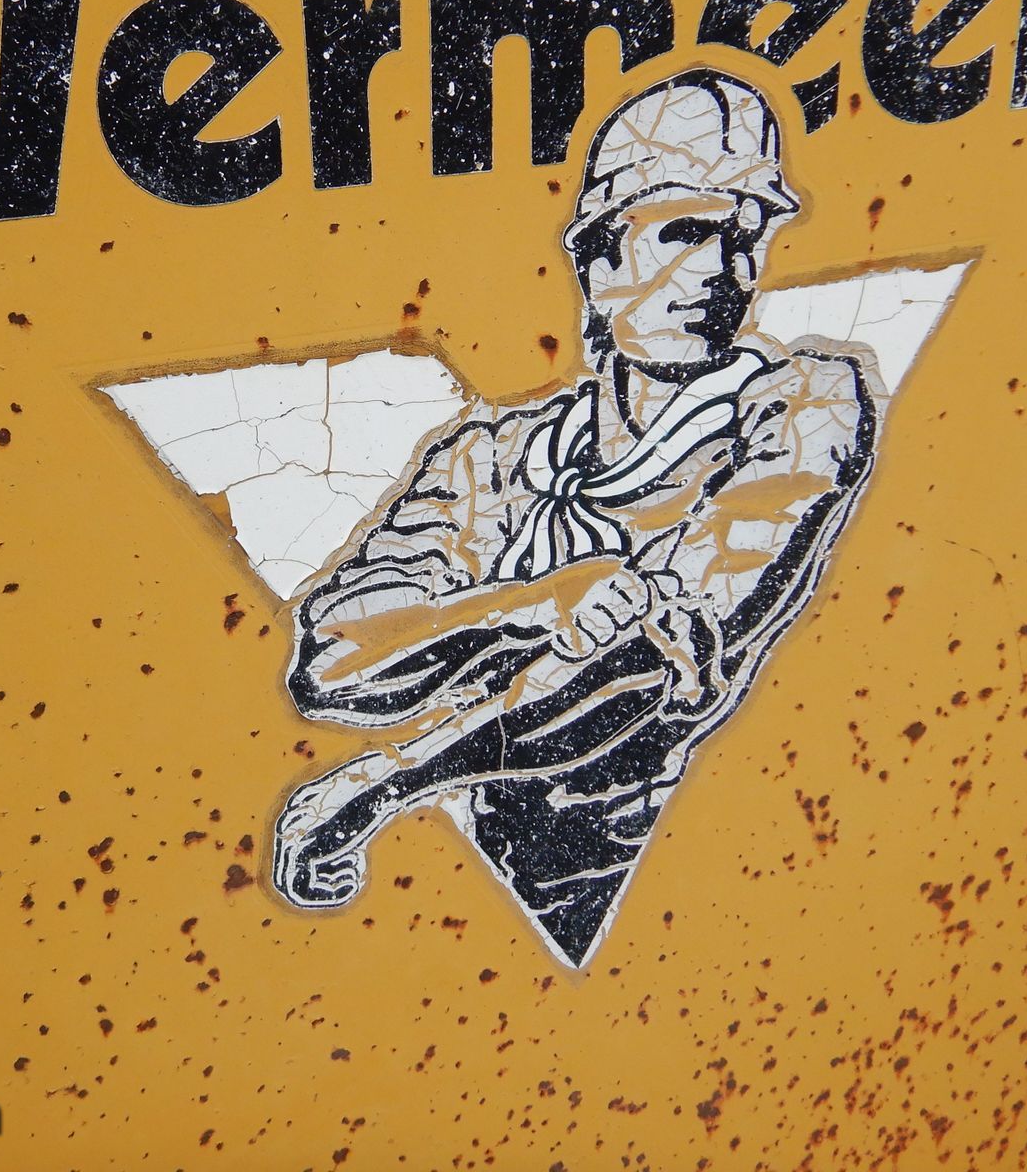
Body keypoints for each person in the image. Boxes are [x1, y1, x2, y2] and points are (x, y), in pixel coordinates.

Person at [272, 67, 878, 966]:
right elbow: (332, 658)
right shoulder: (491, 458)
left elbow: (655, 657)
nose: (722, 272)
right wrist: (535, 604)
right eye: (684, 231)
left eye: (746, 235)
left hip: (670, 913)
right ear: (598, 262)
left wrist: (385, 781)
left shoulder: (807, 405)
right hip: (470, 916)